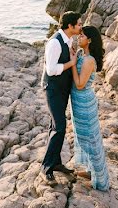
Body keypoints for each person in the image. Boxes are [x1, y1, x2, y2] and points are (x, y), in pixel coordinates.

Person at [41, 11, 83, 183]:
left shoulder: (68, 40)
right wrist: (72, 63)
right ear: (70, 26)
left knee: (54, 127)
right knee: (59, 127)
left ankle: (56, 163)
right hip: (52, 89)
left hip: (62, 89)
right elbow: (51, 70)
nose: (81, 26)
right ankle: (47, 168)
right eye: (79, 24)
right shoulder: (55, 43)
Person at [70, 25, 110, 191]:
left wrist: (72, 64)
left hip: (84, 101)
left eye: (82, 36)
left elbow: (79, 84)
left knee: (91, 140)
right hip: (77, 102)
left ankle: (100, 180)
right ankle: (90, 170)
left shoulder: (89, 60)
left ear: (90, 40)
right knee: (82, 137)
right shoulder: (81, 55)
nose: (79, 38)